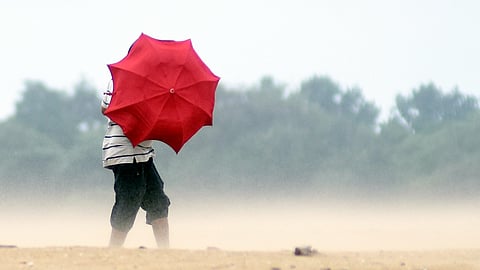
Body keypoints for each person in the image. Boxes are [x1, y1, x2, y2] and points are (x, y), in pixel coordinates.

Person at [101, 86, 171, 248]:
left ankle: (166, 250)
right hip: (126, 151)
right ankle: (113, 250)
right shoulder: (121, 80)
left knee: (157, 199)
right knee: (129, 198)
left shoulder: (165, 86)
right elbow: (105, 108)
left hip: (143, 152)